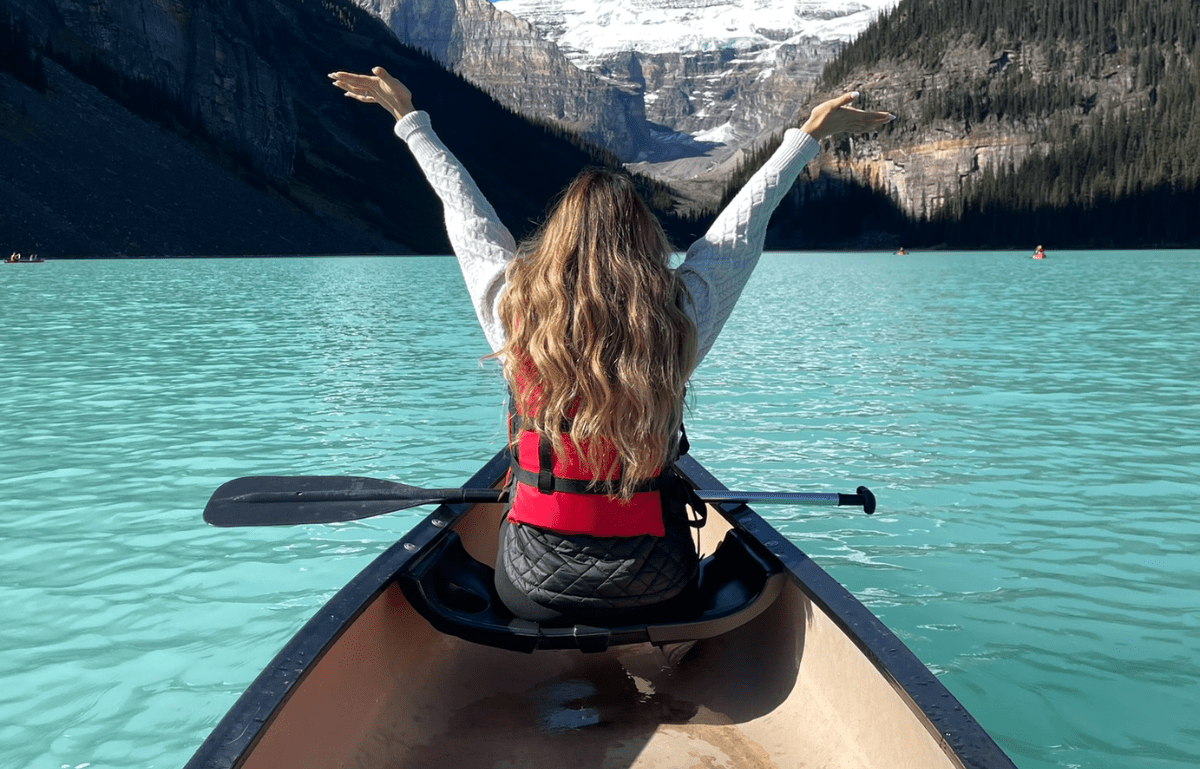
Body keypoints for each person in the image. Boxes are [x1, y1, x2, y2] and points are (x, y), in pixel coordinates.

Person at [330, 66, 893, 624]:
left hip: (531, 587)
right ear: (646, 240)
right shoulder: (679, 317)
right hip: (659, 586)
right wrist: (808, 136)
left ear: (555, 239)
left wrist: (411, 121)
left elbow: (467, 216)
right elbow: (740, 228)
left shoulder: (512, 308)